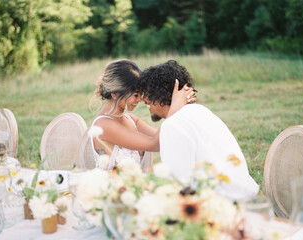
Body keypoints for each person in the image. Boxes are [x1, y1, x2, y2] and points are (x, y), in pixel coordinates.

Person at [139, 60, 259, 200]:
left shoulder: (172, 125)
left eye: (147, 93)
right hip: (245, 195)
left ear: (160, 94)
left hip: (225, 205)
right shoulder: (200, 110)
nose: (143, 99)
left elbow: (178, 185)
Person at [90, 59, 195, 172]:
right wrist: (175, 105)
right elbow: (154, 144)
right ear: (115, 93)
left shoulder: (131, 120)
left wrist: (184, 107)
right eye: (135, 95)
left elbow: (166, 138)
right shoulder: (103, 125)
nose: (140, 99)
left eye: (141, 94)